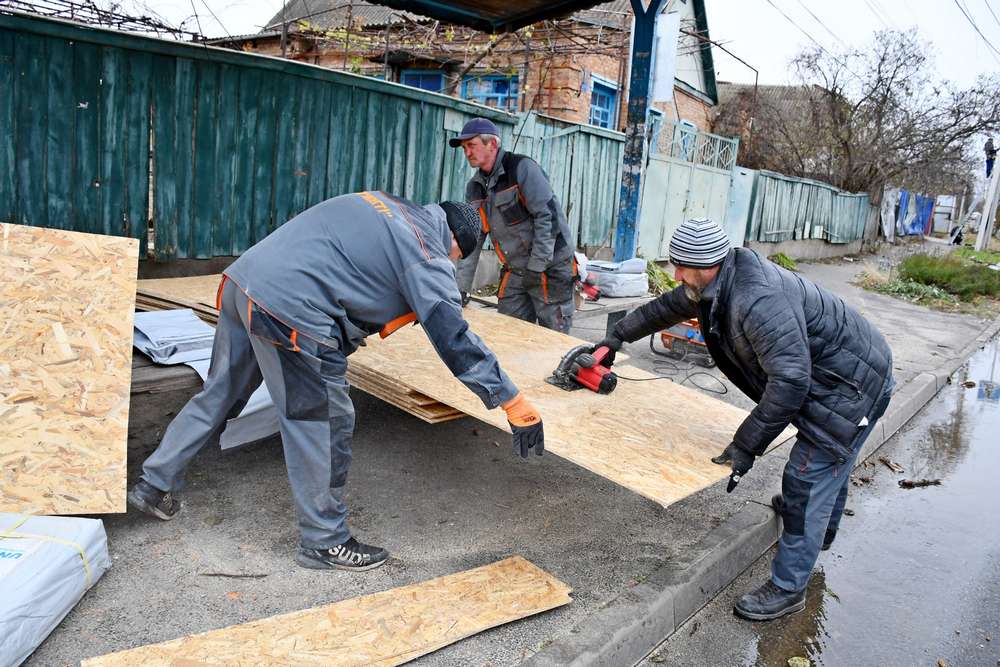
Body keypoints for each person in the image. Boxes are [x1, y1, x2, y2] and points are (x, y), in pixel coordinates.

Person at [127, 192, 545, 571]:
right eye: (456, 257)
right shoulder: (426, 250)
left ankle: (154, 482)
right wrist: (510, 399)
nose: (451, 263)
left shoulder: (385, 205)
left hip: (243, 284)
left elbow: (346, 270)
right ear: (455, 241)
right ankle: (324, 541)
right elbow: (452, 334)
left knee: (219, 392)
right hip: (290, 311)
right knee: (324, 421)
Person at [596, 218, 894, 621]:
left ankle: (788, 589)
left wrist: (745, 446)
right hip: (846, 371)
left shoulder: (757, 300)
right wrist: (617, 337)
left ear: (709, 265)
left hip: (850, 389)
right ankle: (818, 531)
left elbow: (790, 383)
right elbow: (669, 306)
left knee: (809, 477)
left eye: (683, 267)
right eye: (675, 264)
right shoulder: (718, 279)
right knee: (830, 468)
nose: (677, 274)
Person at [451, 118, 576, 333]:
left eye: (471, 145)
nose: (467, 153)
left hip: (551, 267)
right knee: (509, 334)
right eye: (464, 148)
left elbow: (549, 218)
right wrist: (461, 288)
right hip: (516, 269)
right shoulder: (475, 187)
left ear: (492, 144)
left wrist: (537, 267)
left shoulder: (522, 168)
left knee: (554, 341)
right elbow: (472, 238)